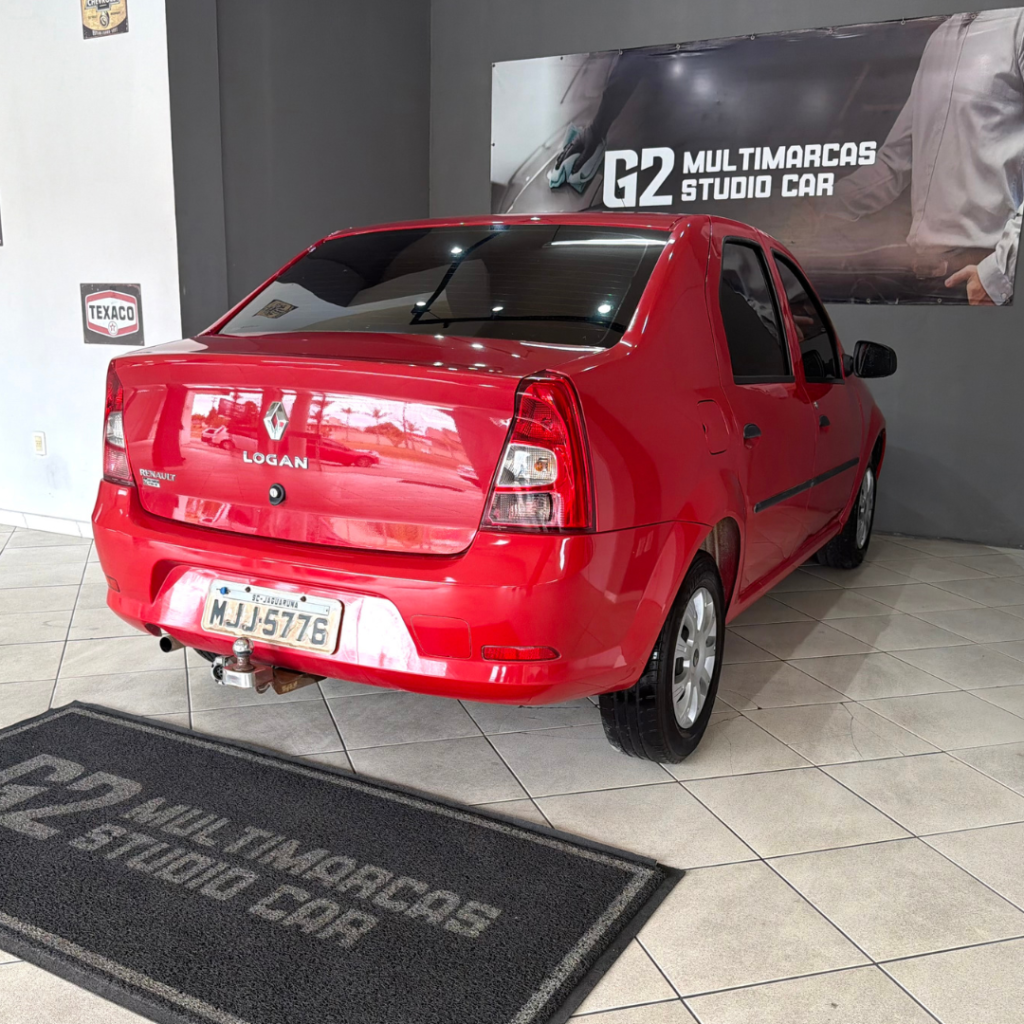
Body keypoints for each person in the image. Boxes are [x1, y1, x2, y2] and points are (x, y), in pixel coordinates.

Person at [831, 10, 1024, 305]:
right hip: (923, 283)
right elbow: (894, 161)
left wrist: (998, 275)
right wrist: (821, 207)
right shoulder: (940, 37)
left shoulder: (1017, 25)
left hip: (985, 284)